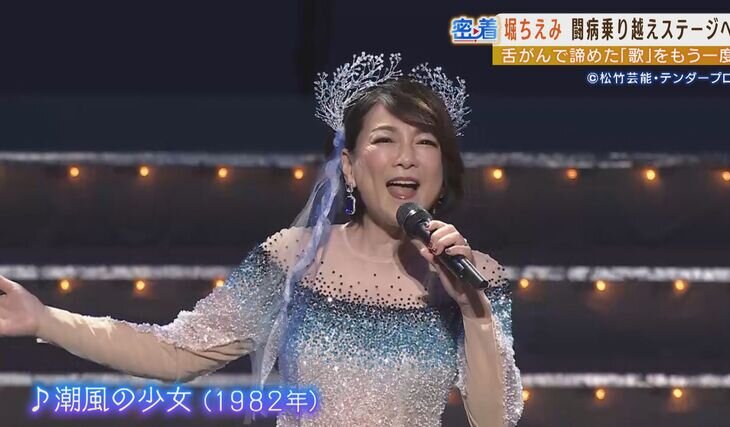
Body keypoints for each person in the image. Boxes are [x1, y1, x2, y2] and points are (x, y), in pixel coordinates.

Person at [0, 53, 523, 426]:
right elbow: (176, 352)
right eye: (386, 139)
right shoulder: (296, 256)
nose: (407, 157)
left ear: (442, 167)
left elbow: (494, 419)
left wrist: (473, 310)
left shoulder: (475, 274)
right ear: (348, 167)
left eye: (425, 142)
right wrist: (44, 319)